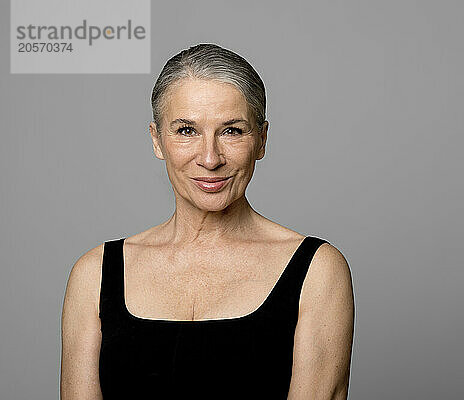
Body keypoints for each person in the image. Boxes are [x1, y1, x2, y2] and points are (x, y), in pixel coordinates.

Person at [60, 43, 355, 399]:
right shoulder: (94, 274)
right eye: (187, 130)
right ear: (157, 140)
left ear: (261, 139)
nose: (210, 158)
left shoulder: (317, 270)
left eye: (232, 130)